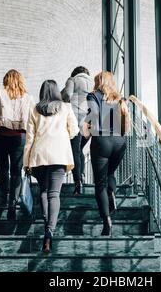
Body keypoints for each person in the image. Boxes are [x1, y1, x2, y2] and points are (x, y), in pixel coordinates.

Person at [24, 80, 79, 253]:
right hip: (59, 154)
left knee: (44, 191)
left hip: (39, 155)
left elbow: (29, 139)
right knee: (54, 194)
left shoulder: (34, 109)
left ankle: (47, 223)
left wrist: (26, 162)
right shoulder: (66, 107)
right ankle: (49, 232)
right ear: (56, 91)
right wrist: (63, 134)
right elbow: (75, 131)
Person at [83, 72, 131, 236]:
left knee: (100, 184)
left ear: (98, 82)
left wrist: (87, 125)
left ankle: (107, 222)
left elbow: (94, 116)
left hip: (102, 141)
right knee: (110, 173)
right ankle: (112, 192)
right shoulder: (120, 98)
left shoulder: (92, 96)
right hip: (119, 142)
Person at [0, 69, 35, 220]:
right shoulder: (28, 97)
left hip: (0, 135)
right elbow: (33, 119)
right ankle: (12, 203)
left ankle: (4, 197)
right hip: (19, 137)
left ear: (6, 80)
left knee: (2, 168)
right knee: (16, 171)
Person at [61, 66, 94, 195]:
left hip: (74, 120)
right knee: (79, 150)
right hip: (88, 122)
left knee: (75, 150)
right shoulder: (93, 83)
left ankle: (78, 181)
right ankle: (81, 175)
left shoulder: (72, 80)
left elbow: (67, 94)